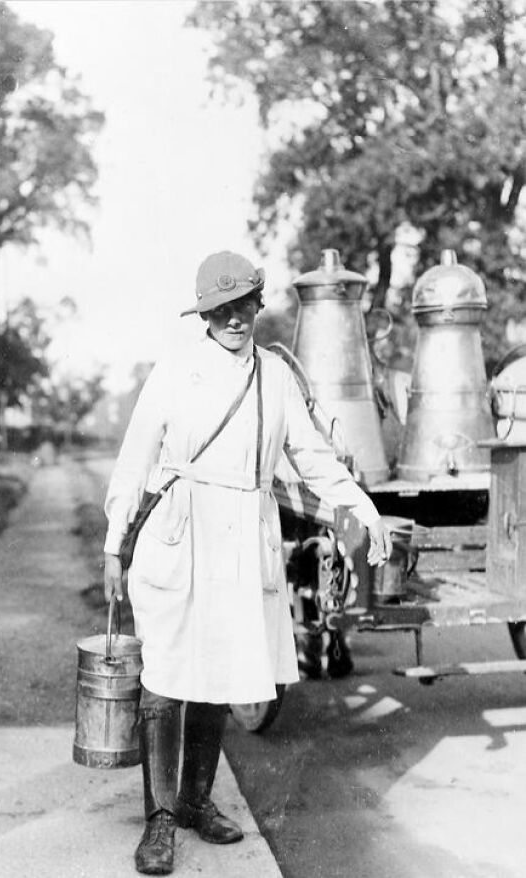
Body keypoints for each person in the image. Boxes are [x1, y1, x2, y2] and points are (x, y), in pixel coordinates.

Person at [103, 251, 391, 875]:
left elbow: (312, 458)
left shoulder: (276, 379)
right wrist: (112, 543)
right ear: (204, 314)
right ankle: (159, 822)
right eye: (222, 308)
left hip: (243, 538)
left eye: (244, 306)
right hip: (180, 534)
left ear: (259, 306)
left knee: (220, 671)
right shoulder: (176, 372)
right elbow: (133, 461)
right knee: (167, 675)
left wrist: (363, 510)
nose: (235, 319)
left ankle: (198, 801)